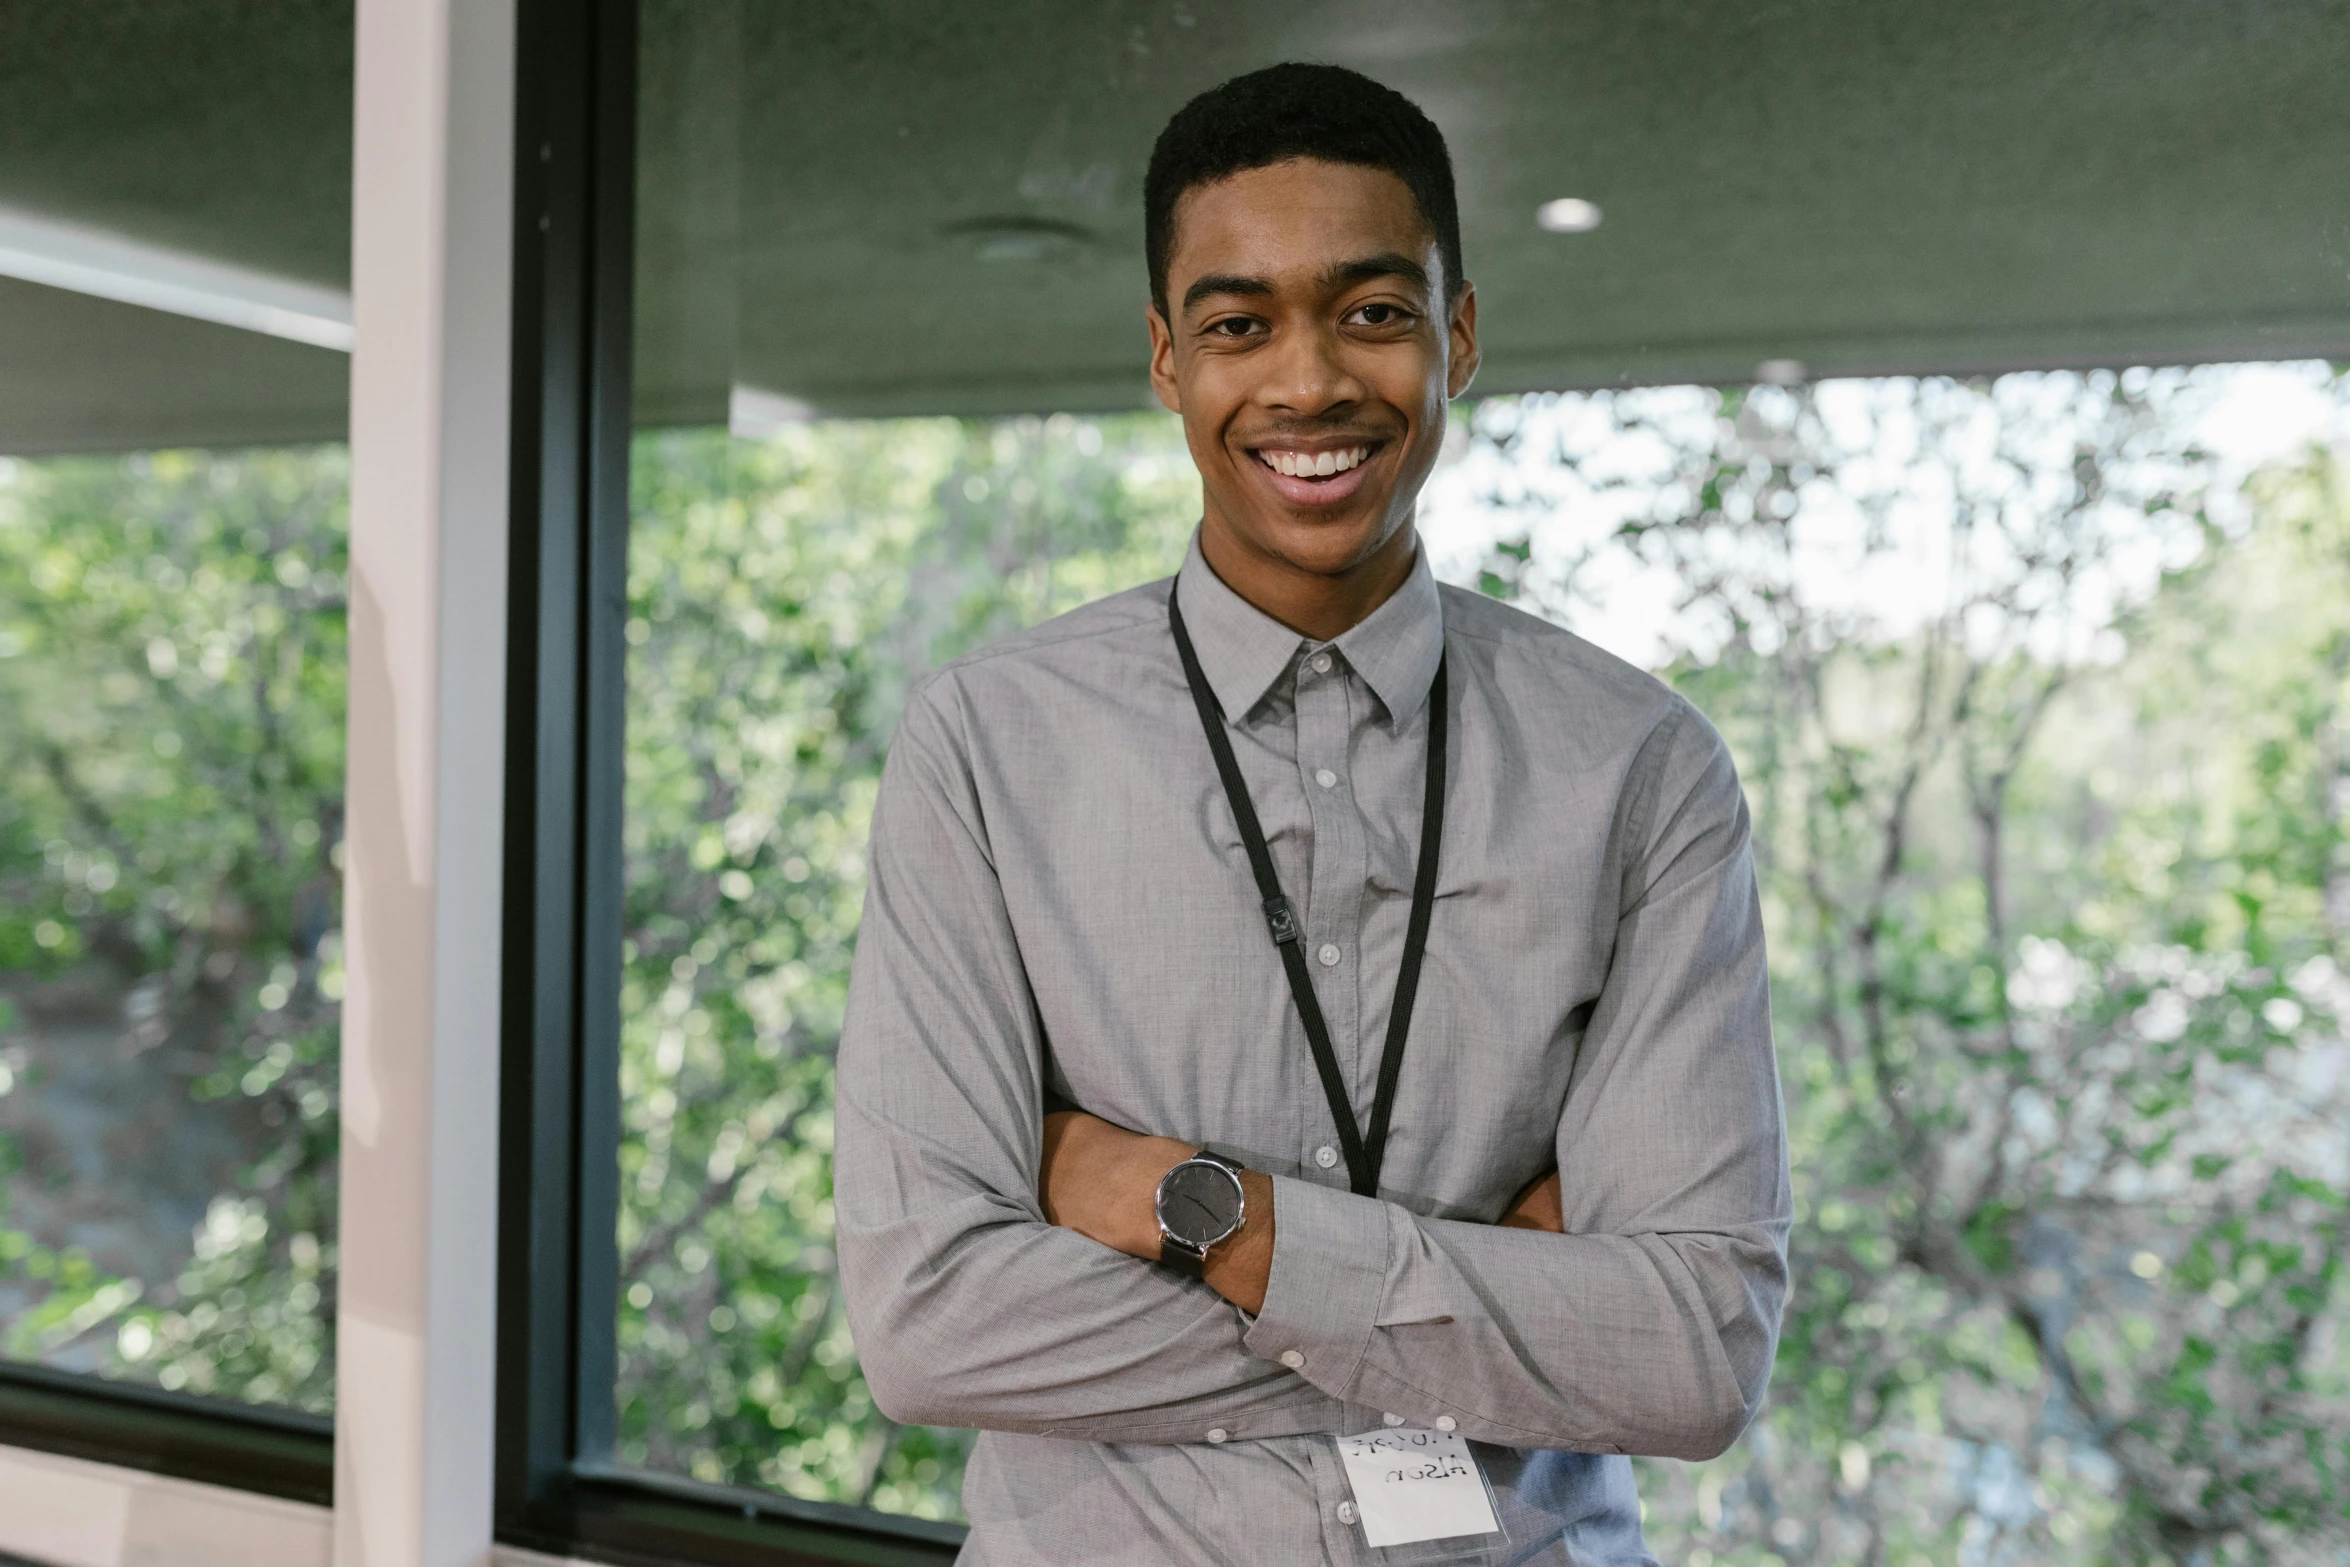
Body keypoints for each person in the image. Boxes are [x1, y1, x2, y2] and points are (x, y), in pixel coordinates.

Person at [836, 62, 1790, 1566]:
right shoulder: (988, 746)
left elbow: (1691, 1352)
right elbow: (931, 1323)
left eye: (1370, 310)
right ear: (1166, 359)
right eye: (1237, 324)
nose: (1307, 384)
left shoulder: (1641, 768)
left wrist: (1190, 1211)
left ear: (1455, 332)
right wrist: (1486, 1292)